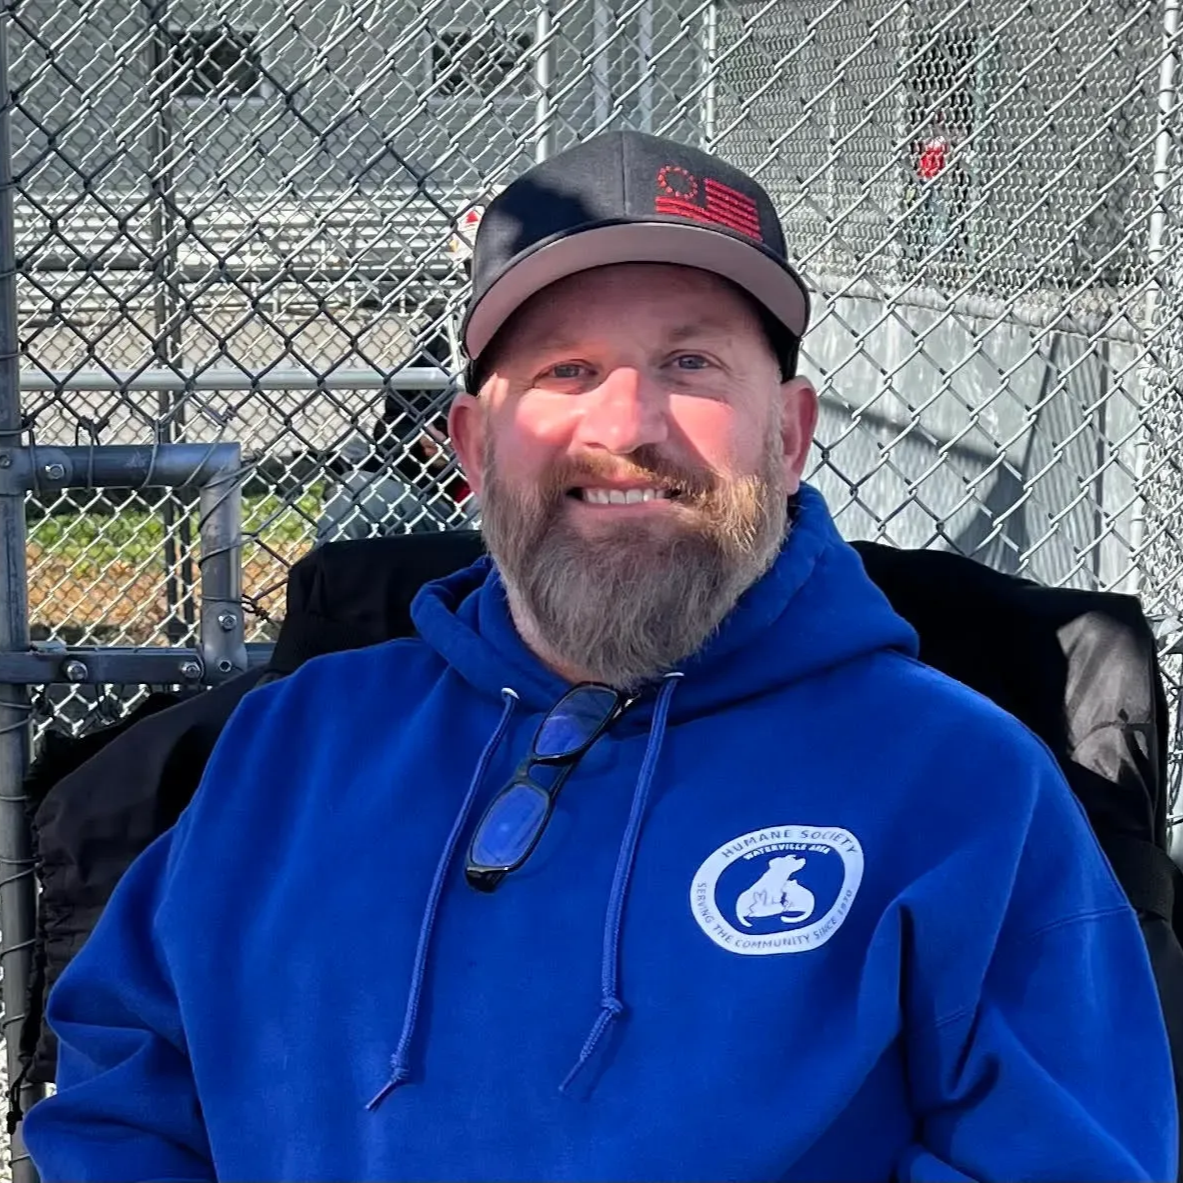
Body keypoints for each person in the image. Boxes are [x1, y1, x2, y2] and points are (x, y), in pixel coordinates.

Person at [22, 130, 1176, 1181]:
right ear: (472, 445)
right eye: (566, 369)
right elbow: (124, 1092)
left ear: (788, 434)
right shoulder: (289, 745)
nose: (627, 423)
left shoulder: (964, 784)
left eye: (690, 364)